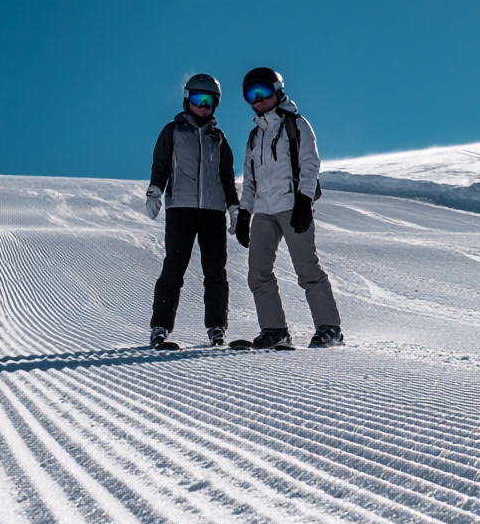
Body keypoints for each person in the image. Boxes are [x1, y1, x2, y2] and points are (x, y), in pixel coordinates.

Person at [232, 66, 344, 351]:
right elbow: (249, 179)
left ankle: (329, 328)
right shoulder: (254, 137)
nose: (258, 99)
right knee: (258, 272)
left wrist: (304, 201)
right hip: (263, 211)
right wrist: (245, 213)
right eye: (250, 94)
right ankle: (275, 330)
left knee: (307, 268)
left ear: (278, 90)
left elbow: (310, 164)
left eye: (263, 91)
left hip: (293, 207)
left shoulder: (297, 125)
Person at [144, 73, 240, 349]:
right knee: (174, 268)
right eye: (198, 99)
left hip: (212, 213)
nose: (203, 105)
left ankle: (216, 328)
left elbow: (226, 175)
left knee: (216, 271)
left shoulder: (218, 138)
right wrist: (155, 191)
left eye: (210, 101)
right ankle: (160, 327)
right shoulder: (172, 131)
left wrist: (233, 206)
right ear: (187, 100)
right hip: (181, 209)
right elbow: (160, 164)